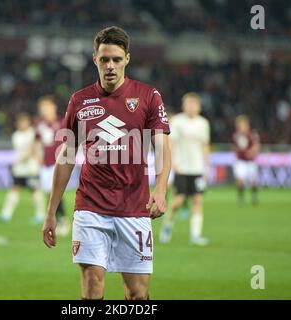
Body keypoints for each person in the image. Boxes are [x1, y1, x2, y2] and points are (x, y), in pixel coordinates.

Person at [42, 26, 171, 300]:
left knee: (137, 293)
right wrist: (51, 211)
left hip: (134, 208)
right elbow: (66, 156)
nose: (110, 66)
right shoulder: (79, 100)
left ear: (127, 59)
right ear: (95, 60)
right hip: (91, 206)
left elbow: (162, 147)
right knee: (92, 285)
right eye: (104, 60)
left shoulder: (149, 96)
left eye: (115, 59)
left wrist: (160, 189)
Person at [159, 93, 210, 246]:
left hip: (197, 168)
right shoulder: (178, 122)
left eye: (194, 104)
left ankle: (196, 235)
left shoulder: (203, 123)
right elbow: (171, 143)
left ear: (199, 107)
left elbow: (205, 145)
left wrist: (207, 166)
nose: (191, 107)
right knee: (178, 200)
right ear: (184, 105)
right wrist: (174, 162)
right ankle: (167, 225)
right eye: (188, 104)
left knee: (197, 200)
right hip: (182, 167)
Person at [0, 112, 43, 223]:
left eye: (25, 122)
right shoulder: (16, 136)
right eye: (21, 122)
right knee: (14, 189)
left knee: (35, 190)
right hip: (20, 169)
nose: (23, 124)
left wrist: (19, 160)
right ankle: (6, 214)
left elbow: (34, 149)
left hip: (31, 168)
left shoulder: (33, 133)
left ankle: (40, 215)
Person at [34, 95, 70, 235]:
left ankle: (63, 220)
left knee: (55, 193)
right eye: (42, 107)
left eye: (47, 106)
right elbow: (37, 141)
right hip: (45, 164)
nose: (44, 110)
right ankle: (58, 219)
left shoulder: (61, 123)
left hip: (57, 163)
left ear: (53, 107)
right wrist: (37, 155)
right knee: (50, 194)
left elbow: (69, 141)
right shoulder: (40, 125)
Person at [232, 115, 261, 206]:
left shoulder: (252, 134)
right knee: (240, 180)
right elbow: (235, 147)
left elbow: (257, 146)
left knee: (253, 181)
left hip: (251, 161)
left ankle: (254, 197)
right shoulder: (236, 135)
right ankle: (241, 198)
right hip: (241, 161)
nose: (241, 127)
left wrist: (251, 152)